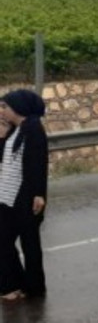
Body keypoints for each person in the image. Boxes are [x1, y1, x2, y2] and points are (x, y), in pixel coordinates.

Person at [0, 89, 49, 301]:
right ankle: (15, 284)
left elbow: (38, 163)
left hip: (25, 196)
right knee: (3, 241)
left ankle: (34, 288)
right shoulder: (14, 131)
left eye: (5, 107)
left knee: (30, 244)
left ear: (18, 108)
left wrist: (38, 194)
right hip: (5, 195)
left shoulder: (33, 129)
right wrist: (1, 137)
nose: (2, 111)